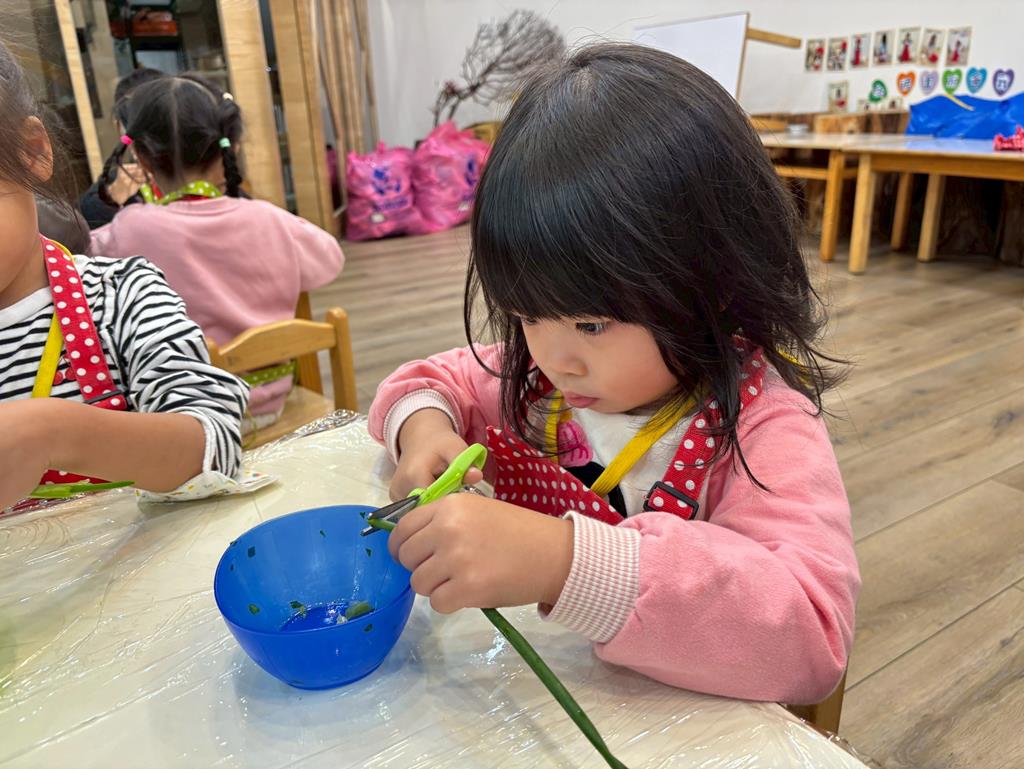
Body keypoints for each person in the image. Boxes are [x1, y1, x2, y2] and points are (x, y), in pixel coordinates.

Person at [368, 44, 860, 704]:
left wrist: (564, 563)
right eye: (527, 316)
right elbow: (431, 378)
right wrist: (424, 430)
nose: (555, 359)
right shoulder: (542, 382)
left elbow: (812, 638)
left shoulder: (764, 426)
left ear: (713, 285)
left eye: (592, 325)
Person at [0, 40, 248, 511]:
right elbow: (327, 259)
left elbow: (215, 447)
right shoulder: (261, 216)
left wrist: (51, 432)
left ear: (32, 151)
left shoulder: (121, 282)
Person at [90, 74, 344, 433]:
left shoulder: (129, 229)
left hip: (192, 421)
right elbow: (331, 259)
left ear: (141, 157)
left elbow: (78, 263)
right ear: (229, 146)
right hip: (275, 405)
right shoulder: (268, 217)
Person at [78, 67, 164, 229]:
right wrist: (111, 199)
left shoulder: (206, 170)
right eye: (134, 118)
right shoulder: (110, 190)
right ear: (119, 126)